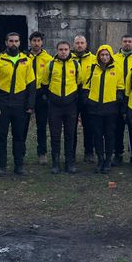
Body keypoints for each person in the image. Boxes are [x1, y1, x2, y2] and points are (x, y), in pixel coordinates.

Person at [0, 32, 36, 175]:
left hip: (20, 105)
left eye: (16, 41)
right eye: (11, 41)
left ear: (20, 43)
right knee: (1, 136)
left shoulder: (26, 60)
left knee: (19, 136)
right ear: (6, 43)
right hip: (3, 104)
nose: (13, 43)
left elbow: (31, 85)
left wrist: (30, 105)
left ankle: (18, 165)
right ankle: (2, 166)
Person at [83, 45, 124, 173]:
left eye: (107, 55)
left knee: (110, 135)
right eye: (102, 55)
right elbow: (86, 86)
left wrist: (117, 99)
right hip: (95, 108)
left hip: (110, 108)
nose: (105, 57)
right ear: (98, 56)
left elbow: (121, 87)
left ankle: (108, 160)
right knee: (97, 135)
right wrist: (88, 100)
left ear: (110, 56)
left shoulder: (117, 69)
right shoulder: (92, 68)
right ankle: (100, 159)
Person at [42, 41, 81, 174]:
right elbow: (44, 83)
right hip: (55, 106)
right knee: (55, 135)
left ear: (70, 50)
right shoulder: (50, 65)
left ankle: (69, 163)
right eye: (61, 49)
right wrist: (50, 99)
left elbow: (79, 82)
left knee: (70, 134)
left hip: (71, 106)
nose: (63, 52)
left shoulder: (76, 64)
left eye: (65, 49)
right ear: (57, 50)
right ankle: (55, 163)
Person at [26, 31, 54, 165]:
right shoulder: (24, 57)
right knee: (22, 125)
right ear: (30, 42)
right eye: (34, 41)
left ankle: (42, 153)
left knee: (41, 125)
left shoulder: (49, 59)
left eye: (38, 41)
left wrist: (45, 93)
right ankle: (20, 152)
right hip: (26, 95)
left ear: (42, 42)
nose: (36, 43)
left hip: (41, 95)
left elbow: (51, 78)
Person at [111, 35, 132, 167]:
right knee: (117, 127)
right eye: (125, 41)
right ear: (121, 43)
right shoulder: (114, 58)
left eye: (129, 41)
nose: (127, 44)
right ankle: (118, 154)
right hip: (118, 97)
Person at [72, 35, 97, 162]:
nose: (79, 45)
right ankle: (71, 153)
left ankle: (89, 152)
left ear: (86, 44)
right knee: (71, 126)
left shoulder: (94, 59)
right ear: (73, 44)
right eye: (77, 43)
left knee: (89, 125)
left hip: (88, 96)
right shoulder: (68, 58)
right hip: (72, 96)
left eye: (82, 43)